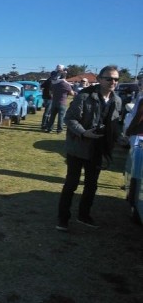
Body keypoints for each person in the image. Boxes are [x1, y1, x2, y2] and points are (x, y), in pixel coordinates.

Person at [56, 65, 122, 232]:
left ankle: (84, 215)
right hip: (78, 146)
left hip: (98, 149)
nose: (113, 82)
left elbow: (114, 125)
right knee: (71, 183)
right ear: (99, 79)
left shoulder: (117, 100)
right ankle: (63, 218)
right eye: (109, 78)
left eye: (116, 79)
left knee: (92, 185)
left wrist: (119, 137)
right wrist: (84, 133)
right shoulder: (84, 96)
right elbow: (70, 119)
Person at [45, 65, 74, 133]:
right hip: (62, 102)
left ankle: (49, 128)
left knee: (52, 116)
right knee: (61, 117)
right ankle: (59, 129)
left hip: (54, 102)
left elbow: (51, 91)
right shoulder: (66, 85)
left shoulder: (54, 84)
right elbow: (72, 93)